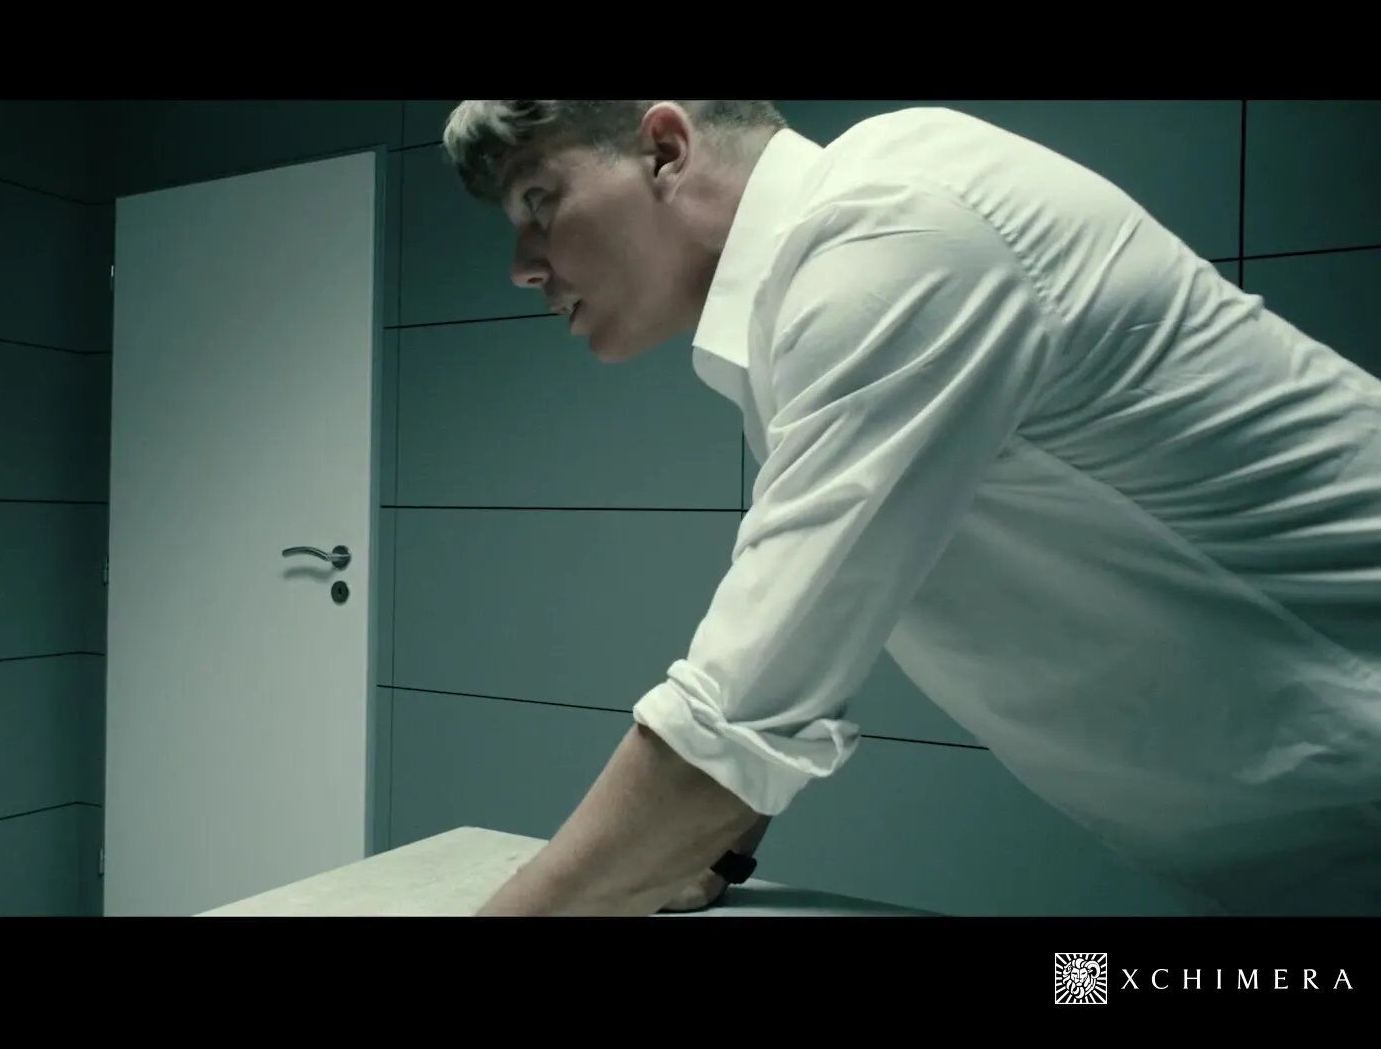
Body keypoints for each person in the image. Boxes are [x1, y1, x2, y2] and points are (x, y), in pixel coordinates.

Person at [442, 100, 1381, 917]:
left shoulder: (894, 231)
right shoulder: (826, 278)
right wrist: (699, 855)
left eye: (539, 201)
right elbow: (806, 640)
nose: (522, 266)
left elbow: (738, 710)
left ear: (665, 150)